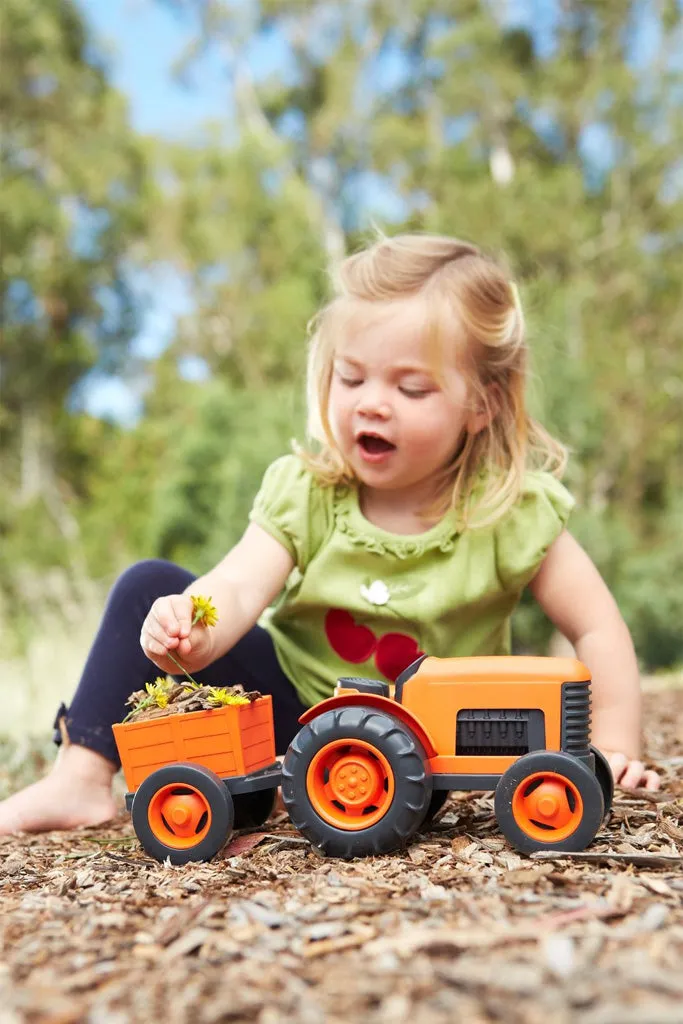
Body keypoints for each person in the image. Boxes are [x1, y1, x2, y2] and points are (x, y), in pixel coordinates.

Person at [0, 233, 660, 836]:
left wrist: (612, 743)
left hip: (420, 743)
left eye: (410, 387)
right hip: (289, 714)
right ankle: (80, 779)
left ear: (480, 403)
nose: (371, 401)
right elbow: (236, 584)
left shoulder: (508, 511)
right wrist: (193, 624)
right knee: (148, 583)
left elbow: (596, 625)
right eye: (352, 377)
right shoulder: (310, 491)